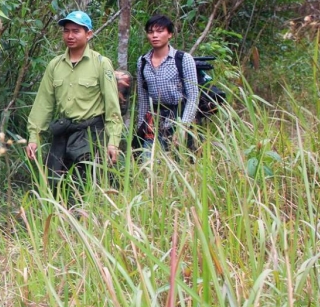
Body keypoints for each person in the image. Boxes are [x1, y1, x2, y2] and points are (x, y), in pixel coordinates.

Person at [26, 11, 123, 192]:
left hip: (91, 133)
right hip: (64, 130)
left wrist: (113, 142)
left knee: (88, 184)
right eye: (66, 31)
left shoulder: (101, 64)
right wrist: (34, 137)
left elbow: (112, 106)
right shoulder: (55, 65)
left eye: (76, 31)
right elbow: (43, 104)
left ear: (88, 34)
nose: (70, 36)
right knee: (53, 183)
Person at [135, 14, 199, 161]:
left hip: (179, 115)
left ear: (169, 34)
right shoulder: (143, 62)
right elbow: (143, 97)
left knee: (179, 163)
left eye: (159, 31)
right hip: (154, 119)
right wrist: (141, 128)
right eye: (151, 32)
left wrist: (183, 127)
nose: (154, 35)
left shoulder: (183, 59)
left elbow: (193, 96)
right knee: (148, 163)